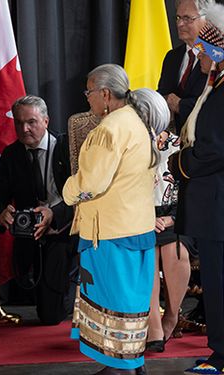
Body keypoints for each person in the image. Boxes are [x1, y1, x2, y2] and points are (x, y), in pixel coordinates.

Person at [64, 65, 169, 375]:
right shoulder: (139, 123)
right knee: (132, 300)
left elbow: (90, 185)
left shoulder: (109, 129)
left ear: (106, 94)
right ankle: (132, 363)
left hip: (109, 231)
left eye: (90, 93)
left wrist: (68, 192)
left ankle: (120, 368)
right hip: (137, 227)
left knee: (113, 299)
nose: (88, 100)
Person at [0, 95, 76, 325]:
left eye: (31, 122)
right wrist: (1, 214)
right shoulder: (12, 154)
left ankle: (76, 290)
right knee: (31, 296)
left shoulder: (67, 147)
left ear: (46, 121)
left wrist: (54, 214)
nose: (24, 128)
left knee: (50, 316)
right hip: (30, 238)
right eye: (18, 123)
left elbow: (84, 196)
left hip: (64, 233)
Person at [170, 3, 224, 373]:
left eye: (205, 50)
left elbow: (214, 150)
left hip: (217, 205)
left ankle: (221, 357)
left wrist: (178, 162)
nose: (200, 55)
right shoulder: (215, 87)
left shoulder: (221, 93)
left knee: (219, 285)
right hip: (212, 203)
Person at [145, 131, 194, 354]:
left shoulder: (180, 143)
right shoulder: (129, 141)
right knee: (148, 252)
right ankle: (154, 323)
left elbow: (192, 188)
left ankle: (171, 316)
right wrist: (145, 217)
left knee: (175, 250)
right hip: (140, 217)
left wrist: (173, 217)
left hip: (179, 215)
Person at [158, 0, 208, 136]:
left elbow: (215, 106)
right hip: (171, 142)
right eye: (178, 18)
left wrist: (180, 105)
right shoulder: (172, 57)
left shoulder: (216, 58)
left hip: (205, 144)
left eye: (187, 18)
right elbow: (163, 93)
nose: (180, 24)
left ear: (207, 19)